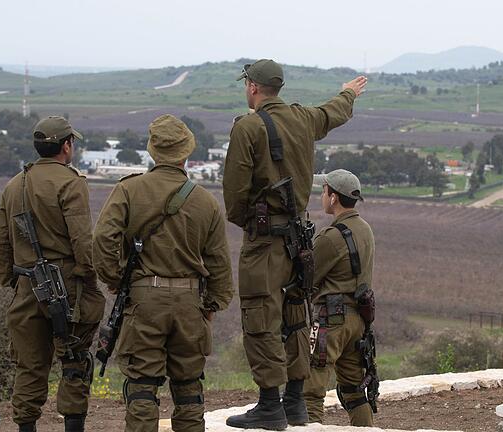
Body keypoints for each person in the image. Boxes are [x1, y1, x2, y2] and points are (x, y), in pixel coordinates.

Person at [222, 59, 367, 430]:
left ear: (252, 87)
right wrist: (348, 93)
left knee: (260, 317)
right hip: (299, 241)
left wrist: (252, 225)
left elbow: (234, 197)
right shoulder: (302, 119)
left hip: (266, 243)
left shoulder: (249, 127)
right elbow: (332, 112)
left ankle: (270, 404)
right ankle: (294, 402)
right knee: (295, 318)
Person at [92, 114, 233, 432]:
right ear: (186, 153)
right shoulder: (205, 201)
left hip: (144, 300)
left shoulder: (128, 190)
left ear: (152, 150)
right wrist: (210, 305)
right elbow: (219, 264)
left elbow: (102, 241)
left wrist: (117, 280)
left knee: (141, 387)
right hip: (189, 302)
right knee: (188, 390)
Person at [0, 116, 105, 432]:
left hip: (27, 285)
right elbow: (82, 240)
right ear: (66, 145)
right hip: (66, 286)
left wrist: (12, 280)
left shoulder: (14, 184)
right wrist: (87, 276)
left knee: (28, 366)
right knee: (73, 362)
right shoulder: (71, 182)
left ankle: (26, 427)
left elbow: (1, 244)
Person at [303, 169, 375, 426]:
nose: (322, 196)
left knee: (310, 388)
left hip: (331, 322)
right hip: (359, 320)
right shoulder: (365, 229)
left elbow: (307, 279)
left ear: (333, 198)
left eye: (324, 191)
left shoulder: (331, 236)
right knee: (354, 392)